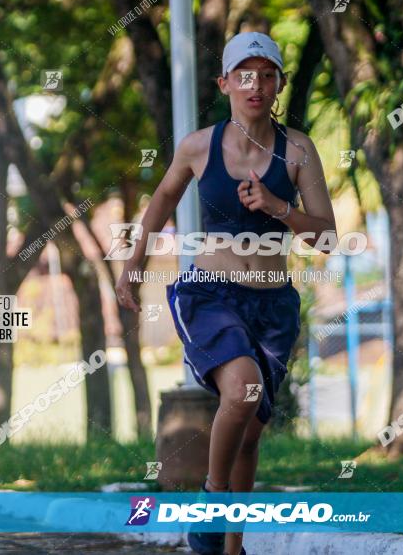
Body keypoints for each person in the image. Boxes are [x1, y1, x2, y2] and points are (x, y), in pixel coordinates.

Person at [115, 31, 337, 555]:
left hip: (274, 304)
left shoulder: (299, 149)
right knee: (241, 391)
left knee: (249, 431)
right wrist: (132, 266)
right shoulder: (199, 145)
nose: (254, 83)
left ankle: (230, 548)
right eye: (244, 74)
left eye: (266, 74)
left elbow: (326, 236)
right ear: (225, 83)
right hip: (210, 294)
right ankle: (210, 507)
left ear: (278, 83)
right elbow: (161, 201)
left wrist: (279, 208)